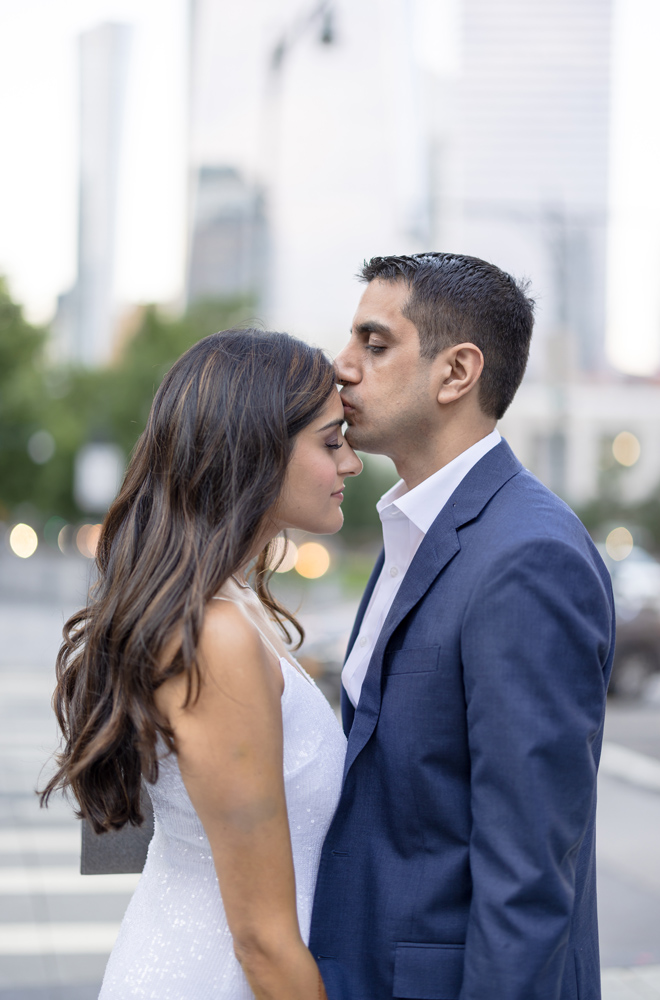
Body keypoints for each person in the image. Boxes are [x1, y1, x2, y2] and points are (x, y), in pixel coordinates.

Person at [308, 253, 615, 1000]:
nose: (340, 367)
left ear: (456, 373)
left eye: (373, 344)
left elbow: (528, 872)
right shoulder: (416, 529)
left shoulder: (528, 557)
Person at [41, 329, 362, 1000]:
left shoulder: (227, 608)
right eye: (331, 442)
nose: (351, 464)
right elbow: (262, 942)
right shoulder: (216, 636)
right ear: (258, 451)